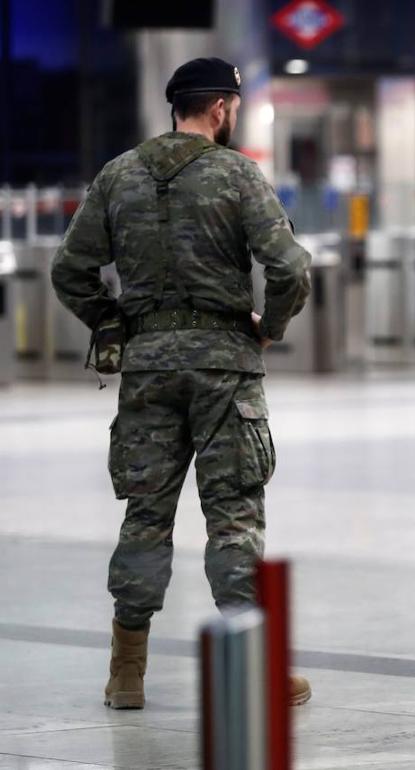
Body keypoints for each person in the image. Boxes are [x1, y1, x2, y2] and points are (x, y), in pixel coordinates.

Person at [49, 57, 313, 710]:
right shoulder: (237, 174)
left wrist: (112, 322)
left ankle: (126, 673)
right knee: (234, 517)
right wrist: (271, 328)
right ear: (221, 107)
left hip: (147, 369)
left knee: (145, 515)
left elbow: (69, 269)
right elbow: (290, 268)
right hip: (226, 370)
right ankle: (253, 668)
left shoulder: (119, 174)